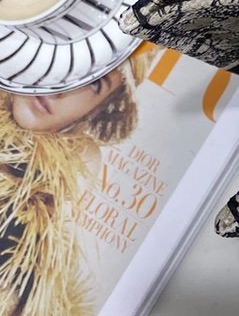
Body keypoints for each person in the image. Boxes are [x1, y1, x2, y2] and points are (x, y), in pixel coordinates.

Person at [0, 47, 155, 316]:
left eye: (93, 82)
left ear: (96, 110)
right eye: (66, 53)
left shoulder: (67, 174)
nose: (62, 87)